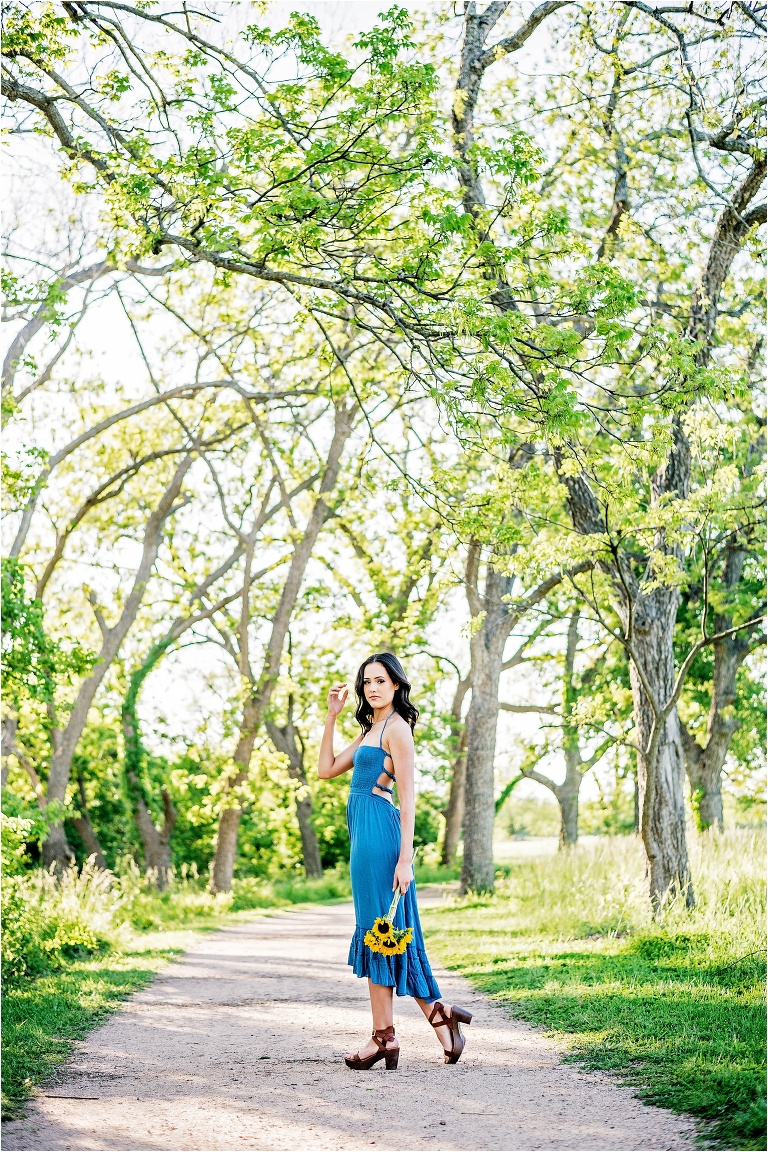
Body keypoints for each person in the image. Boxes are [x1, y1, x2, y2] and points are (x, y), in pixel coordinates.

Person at [318, 652, 472, 1070]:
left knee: (382, 933)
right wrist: (331, 716)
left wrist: (405, 859)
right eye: (366, 681)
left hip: (383, 840)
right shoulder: (372, 729)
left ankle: (385, 1038)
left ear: (397, 686)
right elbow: (326, 769)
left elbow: (408, 801)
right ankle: (437, 1019)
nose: (372, 688)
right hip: (363, 838)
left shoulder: (397, 730)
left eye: (381, 681)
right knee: (383, 934)